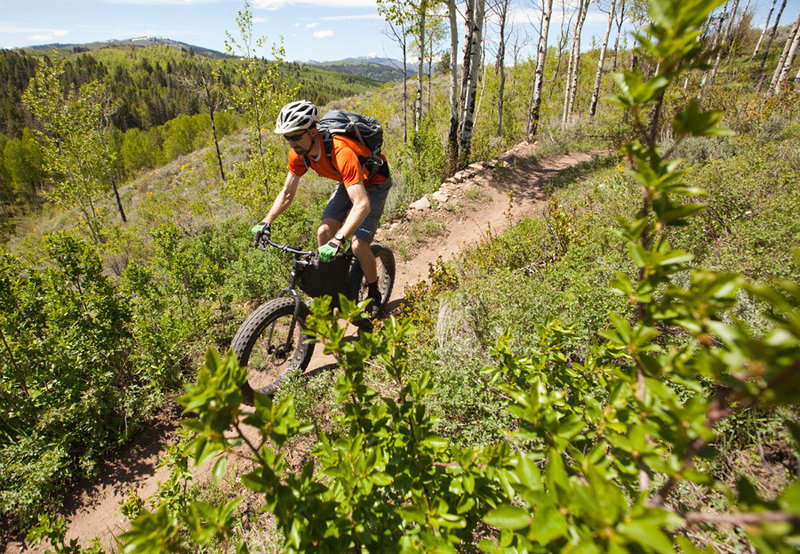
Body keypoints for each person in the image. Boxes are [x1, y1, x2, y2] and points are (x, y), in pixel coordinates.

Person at [252, 100, 392, 318]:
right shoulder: (299, 154)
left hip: (374, 184)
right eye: (288, 138)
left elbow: (362, 204)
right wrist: (266, 220)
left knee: (357, 245)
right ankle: (333, 290)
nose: (292, 143)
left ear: (313, 130)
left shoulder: (340, 151)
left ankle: (374, 292)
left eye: (297, 136)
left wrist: (339, 239)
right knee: (323, 232)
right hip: (348, 182)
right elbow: (287, 193)